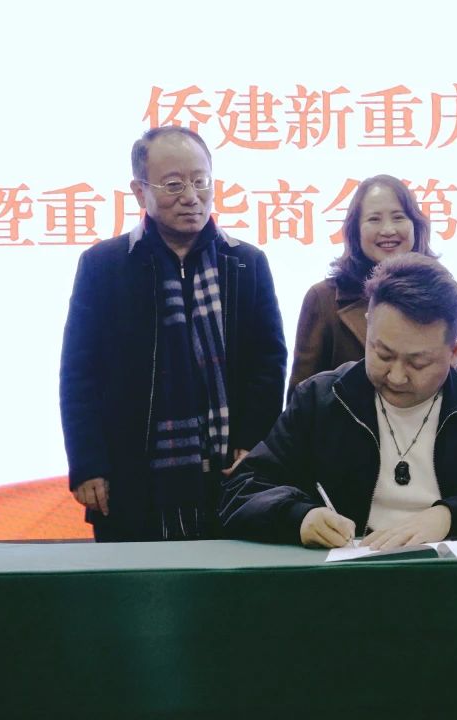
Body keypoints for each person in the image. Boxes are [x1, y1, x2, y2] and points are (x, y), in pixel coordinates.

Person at [221, 254, 457, 549]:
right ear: (368, 327)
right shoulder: (322, 400)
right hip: (348, 577)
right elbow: (242, 490)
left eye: (418, 362)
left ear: (455, 352)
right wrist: (300, 516)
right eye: (383, 354)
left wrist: (451, 515)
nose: (397, 376)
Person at [60, 127, 287, 541]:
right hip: (132, 474)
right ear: (139, 191)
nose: (191, 196)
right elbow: (79, 373)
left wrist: (254, 442)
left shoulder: (245, 263)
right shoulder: (104, 266)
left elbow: (268, 363)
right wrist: (88, 463)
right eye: (173, 184)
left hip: (228, 474)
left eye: (201, 181)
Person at [289, 174, 457, 388]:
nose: (388, 230)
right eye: (374, 219)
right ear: (355, 229)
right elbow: (302, 393)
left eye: (398, 217)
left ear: (415, 225)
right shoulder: (323, 299)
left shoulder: (443, 291)